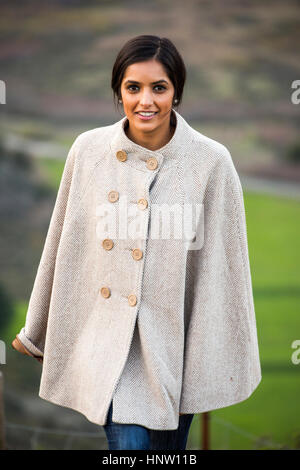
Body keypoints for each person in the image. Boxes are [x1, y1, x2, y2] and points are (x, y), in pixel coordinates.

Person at [11, 35, 262, 451]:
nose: (146, 100)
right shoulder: (88, 151)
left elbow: (224, 270)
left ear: (176, 92)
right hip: (110, 352)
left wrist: (203, 364)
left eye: (158, 88)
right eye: (133, 88)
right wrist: (38, 329)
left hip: (172, 355)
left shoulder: (211, 162)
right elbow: (61, 245)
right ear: (119, 92)